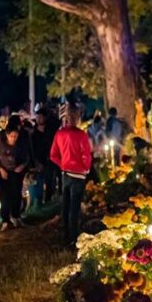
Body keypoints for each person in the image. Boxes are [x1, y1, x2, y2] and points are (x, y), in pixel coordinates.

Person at [50, 104, 93, 244]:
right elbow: (86, 155)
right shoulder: (81, 135)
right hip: (78, 174)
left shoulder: (59, 134)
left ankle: (66, 235)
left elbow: (53, 155)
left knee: (65, 205)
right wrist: (86, 168)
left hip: (65, 174)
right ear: (77, 118)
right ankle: (73, 238)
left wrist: (63, 165)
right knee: (74, 207)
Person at [0, 124, 31, 230]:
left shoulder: (20, 146)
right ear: (7, 135)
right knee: (4, 197)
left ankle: (16, 216)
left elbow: (26, 158)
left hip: (16, 172)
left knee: (16, 195)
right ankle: (5, 220)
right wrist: (0, 169)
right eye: (11, 136)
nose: (13, 138)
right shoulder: (1, 144)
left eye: (15, 136)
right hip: (4, 173)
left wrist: (21, 166)